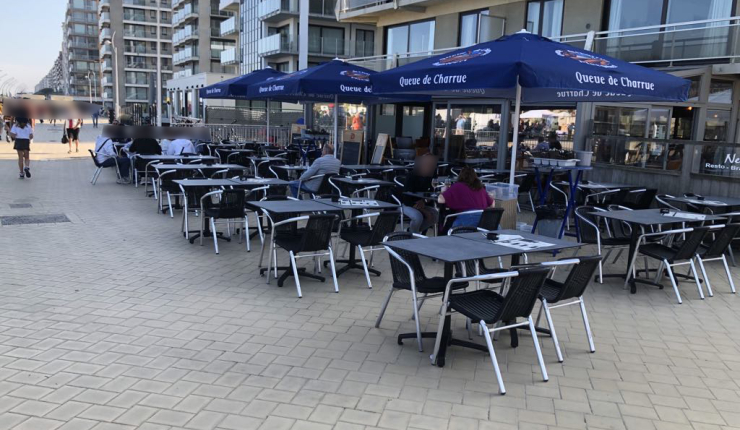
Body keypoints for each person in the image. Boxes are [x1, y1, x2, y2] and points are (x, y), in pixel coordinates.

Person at [399, 154, 439, 234]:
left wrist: (423, 201)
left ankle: (411, 233)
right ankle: (414, 237)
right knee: (418, 217)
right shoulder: (411, 175)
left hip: (421, 203)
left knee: (435, 215)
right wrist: (422, 209)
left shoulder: (431, 176)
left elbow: (431, 193)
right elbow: (406, 198)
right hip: (405, 204)